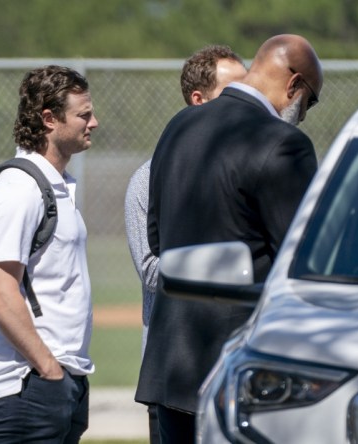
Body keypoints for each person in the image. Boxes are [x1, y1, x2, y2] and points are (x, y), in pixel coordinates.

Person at [136, 34, 322, 443]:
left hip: (172, 366)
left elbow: (157, 237)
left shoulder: (178, 126)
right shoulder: (283, 144)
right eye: (309, 102)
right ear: (293, 86)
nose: (303, 114)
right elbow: (303, 263)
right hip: (241, 375)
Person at [123, 44, 246, 444]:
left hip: (239, 367)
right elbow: (152, 269)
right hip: (177, 372)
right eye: (235, 89)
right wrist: (227, 264)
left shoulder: (249, 167)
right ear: (198, 100)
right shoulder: (150, 176)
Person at [0, 65, 98, 443]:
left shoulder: (54, 185)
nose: (94, 123)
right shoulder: (19, 190)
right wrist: (48, 369)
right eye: (84, 115)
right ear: (49, 119)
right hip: (29, 382)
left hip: (58, 378)